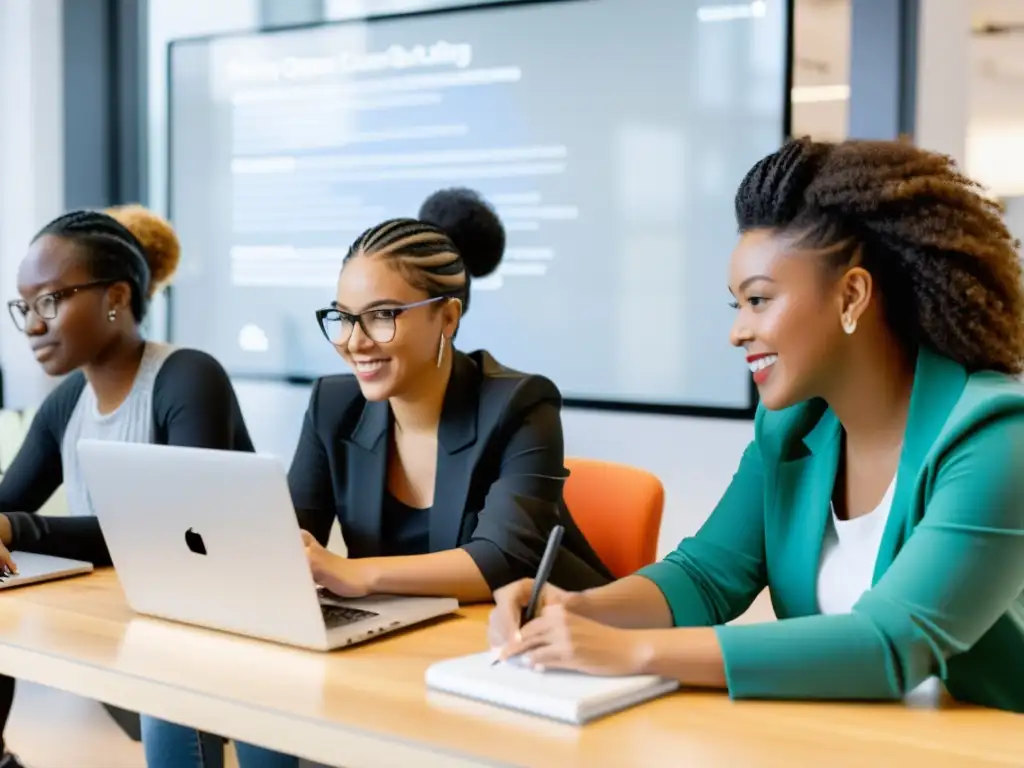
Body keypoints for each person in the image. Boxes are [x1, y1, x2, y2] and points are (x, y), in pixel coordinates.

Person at [489, 137, 1024, 713]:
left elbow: (890, 645)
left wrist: (633, 652)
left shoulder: (995, 437)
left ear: (852, 296)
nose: (737, 331)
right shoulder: (790, 429)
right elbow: (705, 575)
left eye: (759, 301)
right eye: (735, 306)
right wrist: (575, 609)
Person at [141, 187, 612, 767]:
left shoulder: (521, 404)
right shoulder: (333, 404)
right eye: (343, 318)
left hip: (516, 664)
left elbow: (499, 560)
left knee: (271, 715)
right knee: (181, 693)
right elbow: (288, 535)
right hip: (397, 650)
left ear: (448, 315)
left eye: (383, 316)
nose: (354, 342)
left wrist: (351, 574)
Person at [0, 205, 254, 768]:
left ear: (116, 297)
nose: (34, 325)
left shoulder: (187, 377)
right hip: (132, 632)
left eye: (50, 301)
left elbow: (178, 535)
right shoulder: (67, 402)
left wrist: (15, 528)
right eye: (25, 306)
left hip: (225, 640)